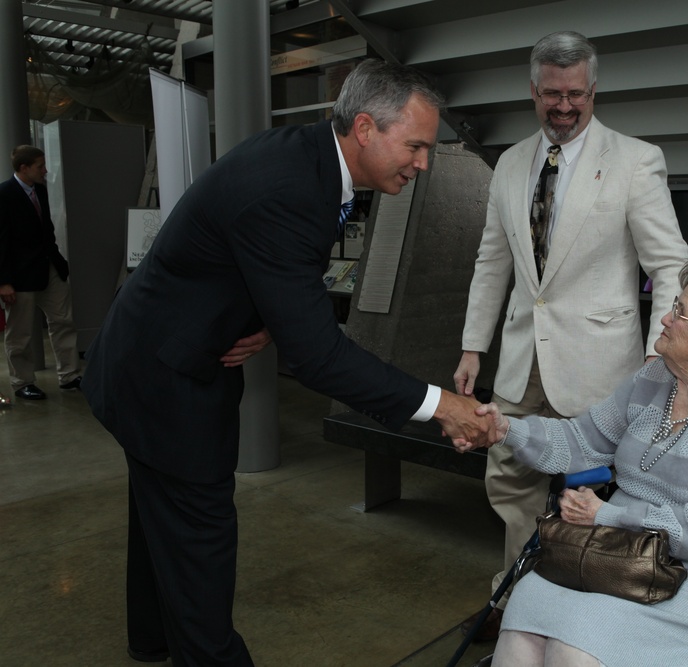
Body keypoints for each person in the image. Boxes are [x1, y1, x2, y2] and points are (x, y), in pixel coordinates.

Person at [82, 59, 494, 666]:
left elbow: (269, 266)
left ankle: (151, 640)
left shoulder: (311, 159)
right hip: (162, 380)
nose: (423, 162)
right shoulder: (290, 188)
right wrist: (442, 407)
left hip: (157, 355)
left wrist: (272, 318)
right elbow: (321, 357)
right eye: (416, 146)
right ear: (363, 129)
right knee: (200, 543)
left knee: (160, 516)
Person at [453, 31, 688, 639]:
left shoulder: (637, 160)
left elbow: (668, 266)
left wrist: (655, 359)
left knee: (595, 496)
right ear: (533, 91)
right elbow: (492, 261)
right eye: (551, 94)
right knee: (510, 484)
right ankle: (514, 604)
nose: (564, 106)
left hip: (602, 366)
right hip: (519, 361)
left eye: (575, 94)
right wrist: (472, 346)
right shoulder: (508, 162)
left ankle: (584, 619)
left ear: (593, 89)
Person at [462, 259, 688, 667]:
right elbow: (582, 439)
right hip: (621, 551)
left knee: (576, 646)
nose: (666, 319)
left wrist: (610, 515)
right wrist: (504, 430)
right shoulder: (655, 379)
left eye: (680, 313)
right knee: (529, 607)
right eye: (674, 305)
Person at [0, 145, 83, 401]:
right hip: (20, 276)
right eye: (40, 166)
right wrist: (4, 282)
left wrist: (59, 262)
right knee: (21, 332)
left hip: (49, 269)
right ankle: (22, 382)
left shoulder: (41, 192)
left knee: (63, 322)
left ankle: (69, 376)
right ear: (24, 168)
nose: (45, 170)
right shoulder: (4, 194)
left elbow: (46, 230)